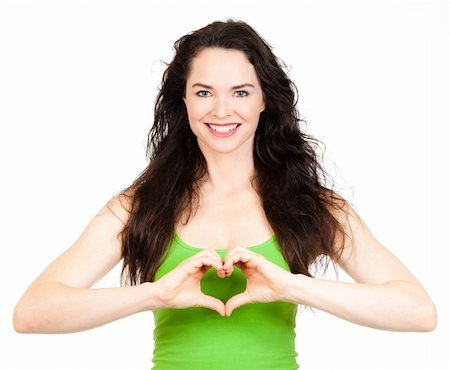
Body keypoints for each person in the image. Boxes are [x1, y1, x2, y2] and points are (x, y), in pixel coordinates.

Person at [13, 19, 437, 369]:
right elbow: (32, 313)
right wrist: (154, 294)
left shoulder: (315, 206)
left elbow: (417, 312)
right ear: (184, 101)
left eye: (240, 92)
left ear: (264, 101)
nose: (221, 111)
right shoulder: (138, 206)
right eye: (203, 93)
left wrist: (291, 287)